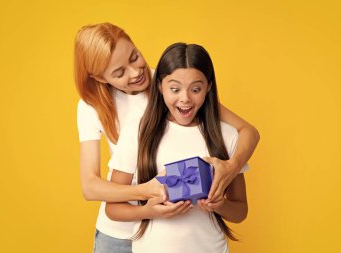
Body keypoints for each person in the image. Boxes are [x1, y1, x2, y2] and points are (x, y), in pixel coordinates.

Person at [75, 23, 259, 252]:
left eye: (134, 56)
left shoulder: (172, 81)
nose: (135, 72)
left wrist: (231, 167)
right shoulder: (92, 107)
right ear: (100, 78)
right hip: (119, 231)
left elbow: (247, 131)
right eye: (119, 72)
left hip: (179, 234)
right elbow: (90, 187)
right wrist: (149, 192)